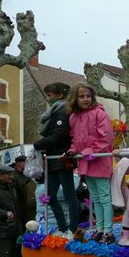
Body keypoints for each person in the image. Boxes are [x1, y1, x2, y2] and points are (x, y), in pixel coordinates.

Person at [66, 83, 115, 243]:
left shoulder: (99, 114)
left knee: (104, 196)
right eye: (82, 96)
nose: (86, 99)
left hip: (99, 160)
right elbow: (75, 139)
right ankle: (100, 228)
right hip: (86, 161)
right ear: (75, 98)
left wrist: (85, 152)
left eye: (88, 96)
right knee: (95, 197)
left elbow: (106, 138)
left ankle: (108, 230)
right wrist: (72, 151)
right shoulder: (73, 117)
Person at [33, 82, 79, 233]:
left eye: (49, 95)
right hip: (53, 159)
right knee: (50, 196)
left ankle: (72, 229)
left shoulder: (63, 112)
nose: (47, 98)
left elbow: (58, 136)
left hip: (62, 158)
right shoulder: (56, 112)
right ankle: (63, 227)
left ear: (59, 95)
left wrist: (38, 144)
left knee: (69, 195)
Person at [11, 155, 37, 230]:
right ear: (19, 164)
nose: (28, 166)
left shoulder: (26, 174)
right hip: (19, 206)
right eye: (26, 163)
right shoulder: (13, 175)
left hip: (26, 206)